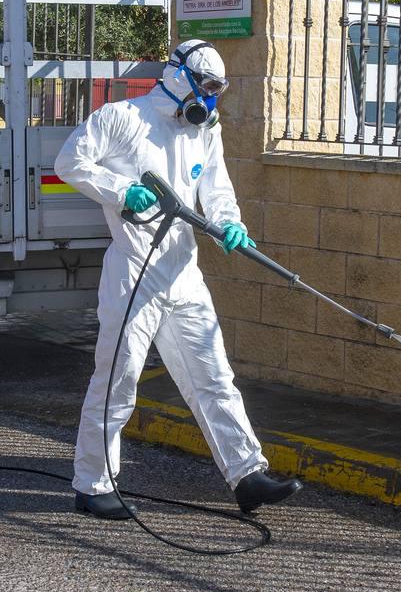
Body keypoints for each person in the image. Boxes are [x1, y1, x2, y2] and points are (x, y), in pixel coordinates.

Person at [55, 39, 303, 520]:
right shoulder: (121, 119)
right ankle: (93, 484)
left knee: (214, 378)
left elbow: (217, 186)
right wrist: (121, 191)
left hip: (184, 272)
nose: (209, 99)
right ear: (176, 77)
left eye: (217, 90)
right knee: (117, 381)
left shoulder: (204, 130)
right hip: (135, 271)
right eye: (206, 87)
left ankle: (247, 474)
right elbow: (70, 162)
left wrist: (232, 222)